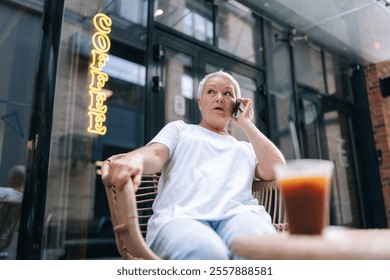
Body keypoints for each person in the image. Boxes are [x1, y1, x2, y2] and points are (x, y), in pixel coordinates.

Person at [106, 70, 285, 259]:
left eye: (227, 94)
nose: (219, 98)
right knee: (206, 253)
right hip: (181, 217)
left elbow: (276, 168)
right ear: (200, 102)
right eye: (211, 92)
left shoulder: (246, 148)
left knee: (261, 249)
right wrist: (136, 159)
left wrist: (246, 122)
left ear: (236, 104)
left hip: (240, 216)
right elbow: (156, 153)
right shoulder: (180, 130)